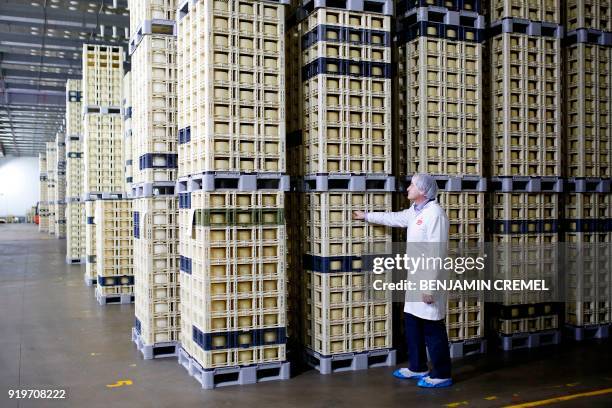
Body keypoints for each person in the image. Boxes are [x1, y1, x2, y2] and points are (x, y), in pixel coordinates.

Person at [352, 173, 452, 388]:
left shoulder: (435, 214)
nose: (407, 188)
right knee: (412, 322)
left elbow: (438, 253)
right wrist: (367, 216)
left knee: (432, 327)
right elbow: (394, 218)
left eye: (412, 185)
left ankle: (442, 373)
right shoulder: (416, 212)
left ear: (423, 191)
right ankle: (418, 367)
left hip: (428, 279)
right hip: (415, 277)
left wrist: (430, 288)